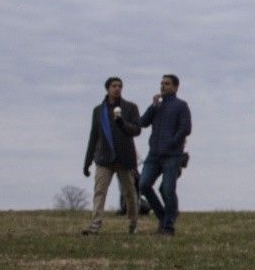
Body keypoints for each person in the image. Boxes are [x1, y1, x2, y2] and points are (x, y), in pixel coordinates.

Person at [81, 77, 143, 235]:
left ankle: (133, 223)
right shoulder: (98, 111)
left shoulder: (130, 108)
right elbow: (93, 136)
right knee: (100, 191)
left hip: (125, 158)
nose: (117, 89)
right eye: (114, 86)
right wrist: (87, 161)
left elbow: (136, 130)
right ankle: (95, 224)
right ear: (107, 88)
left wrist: (122, 123)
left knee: (130, 193)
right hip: (104, 158)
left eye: (120, 86)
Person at [138, 74, 192, 237]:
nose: (163, 86)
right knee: (143, 185)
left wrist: (173, 142)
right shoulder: (157, 106)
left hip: (172, 155)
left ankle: (168, 226)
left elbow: (186, 127)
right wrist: (153, 106)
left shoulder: (181, 106)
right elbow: (143, 122)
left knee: (167, 189)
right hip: (154, 154)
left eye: (167, 84)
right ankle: (163, 216)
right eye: (161, 83)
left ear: (175, 87)